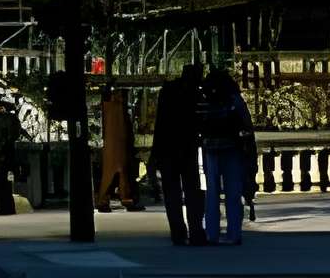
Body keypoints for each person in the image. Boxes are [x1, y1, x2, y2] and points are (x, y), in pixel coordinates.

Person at [199, 66, 256, 247]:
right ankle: (234, 234)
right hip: (232, 148)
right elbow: (246, 125)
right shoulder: (234, 99)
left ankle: (212, 233)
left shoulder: (205, 99)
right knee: (233, 193)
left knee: (212, 194)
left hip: (210, 149)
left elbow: (199, 124)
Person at [150, 64, 206, 248]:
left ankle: (178, 232)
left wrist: (155, 152)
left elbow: (160, 123)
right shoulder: (194, 95)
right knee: (192, 191)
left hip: (168, 148)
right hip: (186, 148)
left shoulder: (169, 91)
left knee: (172, 193)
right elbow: (199, 123)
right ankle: (196, 230)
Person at [96, 85, 142, 212]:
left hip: (116, 142)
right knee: (117, 171)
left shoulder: (115, 108)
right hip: (116, 142)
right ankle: (110, 199)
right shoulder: (114, 107)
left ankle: (110, 199)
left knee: (118, 172)